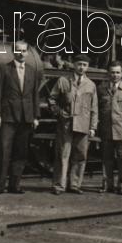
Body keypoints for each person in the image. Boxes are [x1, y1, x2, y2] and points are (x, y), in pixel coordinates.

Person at [0, 40, 41, 195]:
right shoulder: (4, 69)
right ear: (13, 52)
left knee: (21, 153)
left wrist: (35, 116)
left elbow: (35, 95)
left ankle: (15, 185)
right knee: (4, 152)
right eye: (18, 50)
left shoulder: (32, 71)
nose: (21, 53)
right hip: (8, 117)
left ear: (27, 53)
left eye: (24, 51)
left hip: (26, 118)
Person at [49, 53, 98, 195]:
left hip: (83, 124)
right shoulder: (63, 81)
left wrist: (93, 127)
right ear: (74, 65)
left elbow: (94, 108)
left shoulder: (91, 85)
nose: (81, 67)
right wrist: (59, 113)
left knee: (80, 155)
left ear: (87, 67)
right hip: (66, 124)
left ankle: (75, 185)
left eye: (84, 65)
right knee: (62, 155)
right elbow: (52, 99)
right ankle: (59, 186)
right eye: (79, 64)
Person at [97, 61, 122, 195]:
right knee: (106, 158)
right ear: (108, 73)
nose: (115, 75)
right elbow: (98, 107)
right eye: (112, 72)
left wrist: (121, 120)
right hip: (106, 129)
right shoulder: (101, 89)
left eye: (118, 72)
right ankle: (107, 184)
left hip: (121, 130)